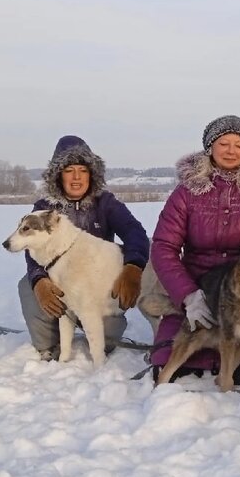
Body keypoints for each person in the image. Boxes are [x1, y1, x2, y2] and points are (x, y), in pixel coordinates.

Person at [148, 115, 240, 380]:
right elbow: (163, 247)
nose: (231, 150)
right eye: (224, 143)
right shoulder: (186, 192)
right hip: (194, 283)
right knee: (171, 361)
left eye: (238, 144)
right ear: (210, 147)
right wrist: (187, 295)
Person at [18, 135, 149, 360]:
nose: (77, 177)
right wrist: (39, 279)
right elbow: (32, 248)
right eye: (69, 170)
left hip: (97, 289)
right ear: (58, 175)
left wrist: (133, 266)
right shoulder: (44, 208)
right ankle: (52, 346)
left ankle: (100, 331)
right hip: (61, 286)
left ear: (92, 174)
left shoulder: (106, 203)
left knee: (106, 339)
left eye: (83, 170)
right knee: (27, 286)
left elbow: (134, 232)